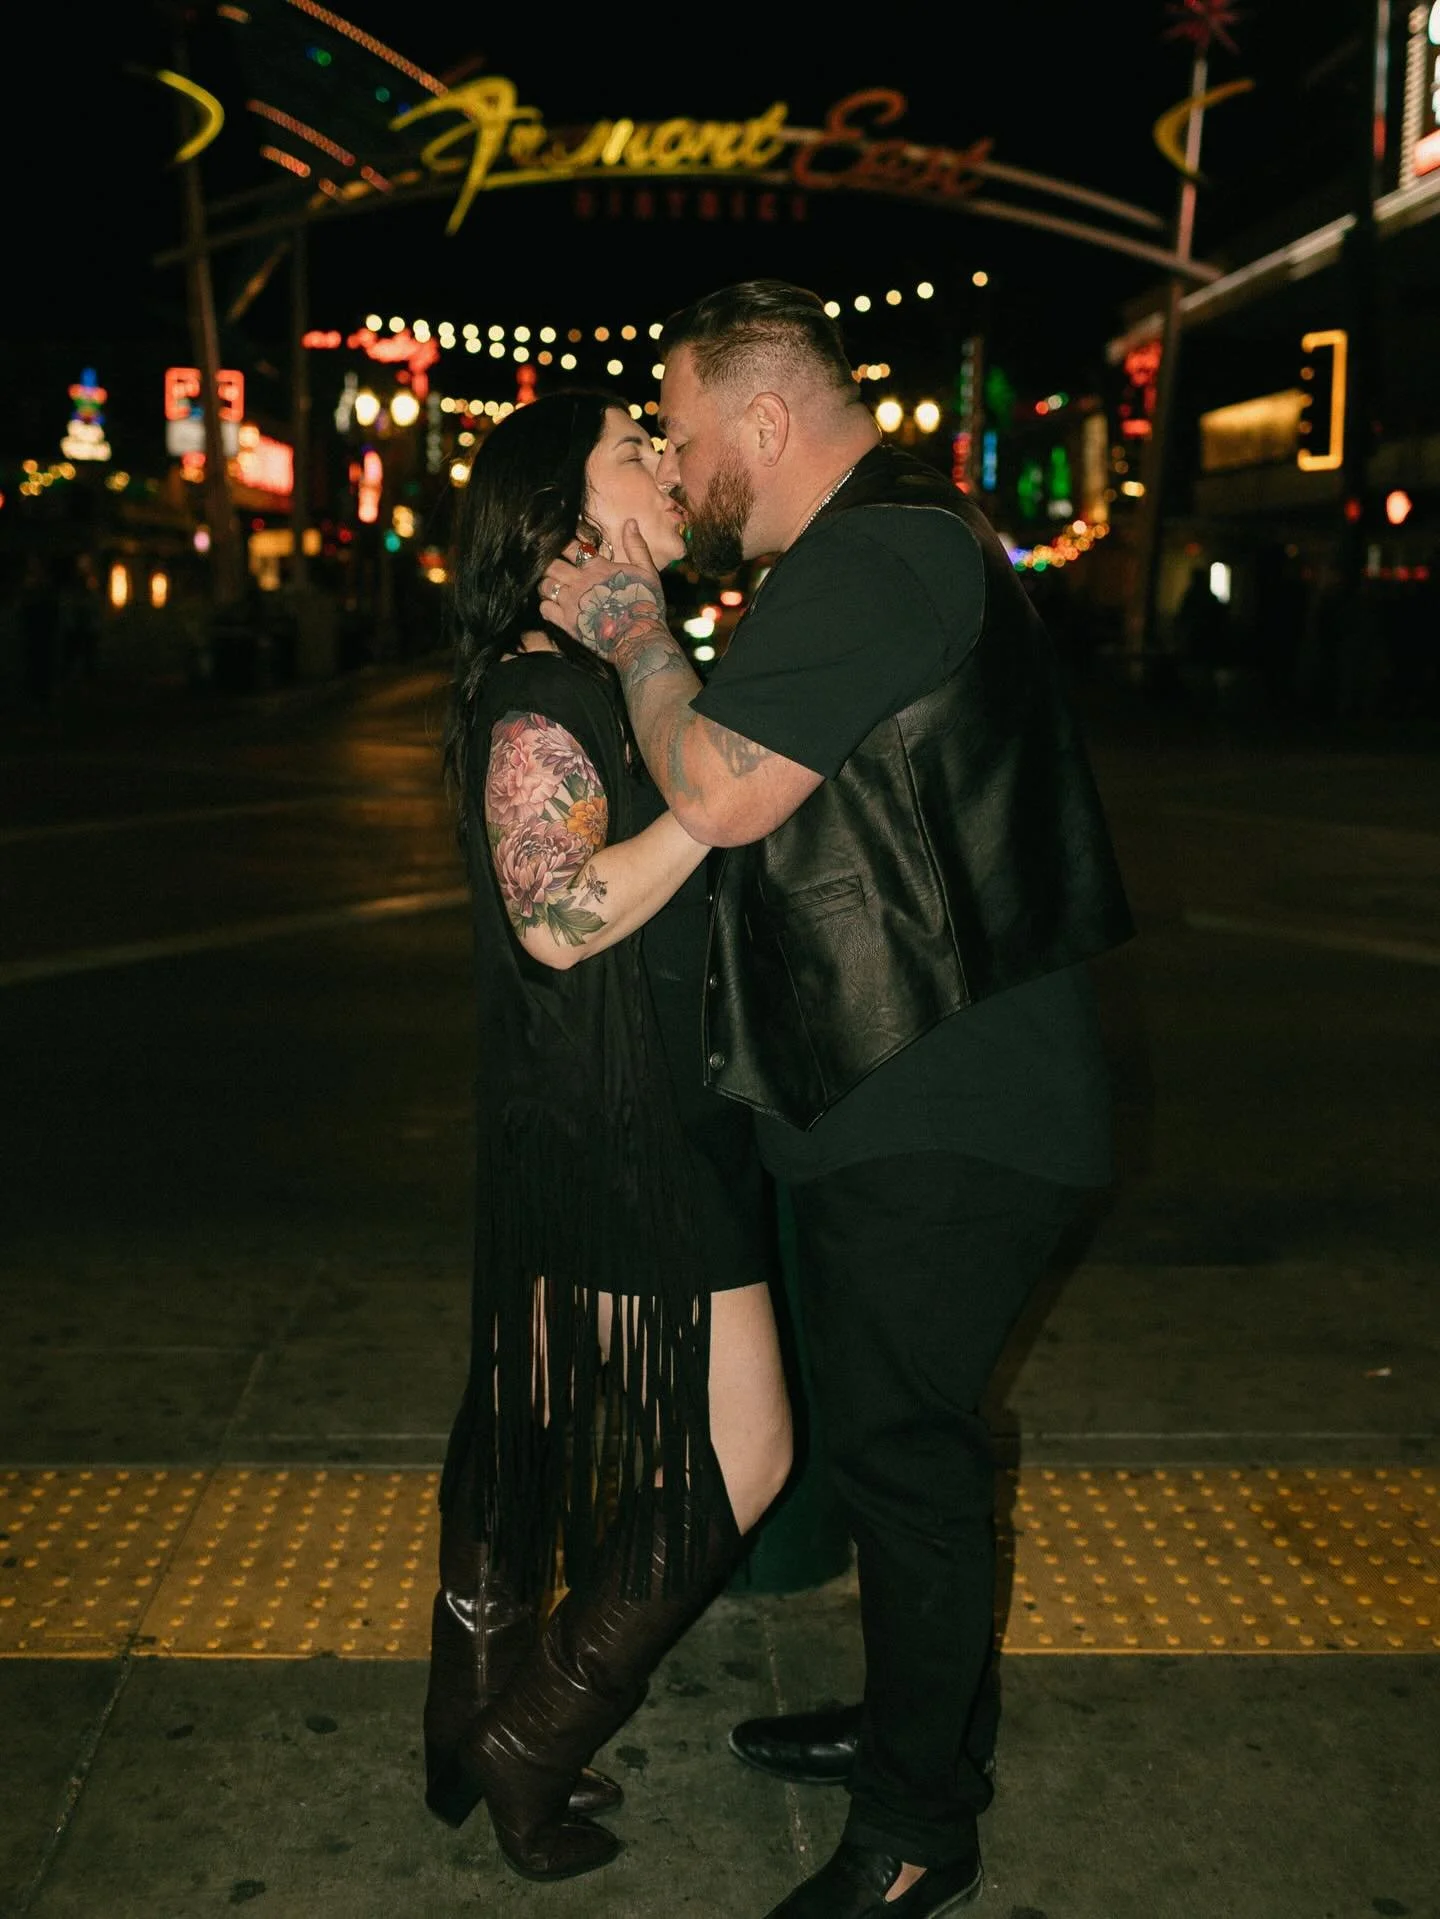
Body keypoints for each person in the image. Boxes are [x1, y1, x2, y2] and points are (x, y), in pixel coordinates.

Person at [540, 282, 1135, 1918]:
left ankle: (919, 1826)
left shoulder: (891, 551)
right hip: (901, 1092)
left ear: (767, 421)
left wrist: (639, 641)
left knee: (909, 1460)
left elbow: (725, 784)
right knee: (899, 1453)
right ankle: (914, 1723)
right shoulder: (872, 552)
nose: (675, 457)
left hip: (944, 1109)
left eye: (680, 423)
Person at [424, 389, 792, 1883]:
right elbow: (560, 915)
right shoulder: (544, 695)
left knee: (526, 1429)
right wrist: (715, 806)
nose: (665, 462)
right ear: (566, 522)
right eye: (635, 452)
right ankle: (531, 1729)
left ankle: (474, 1703)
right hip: (624, 1126)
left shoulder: (579, 678)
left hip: (580, 1115)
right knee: (745, 1457)